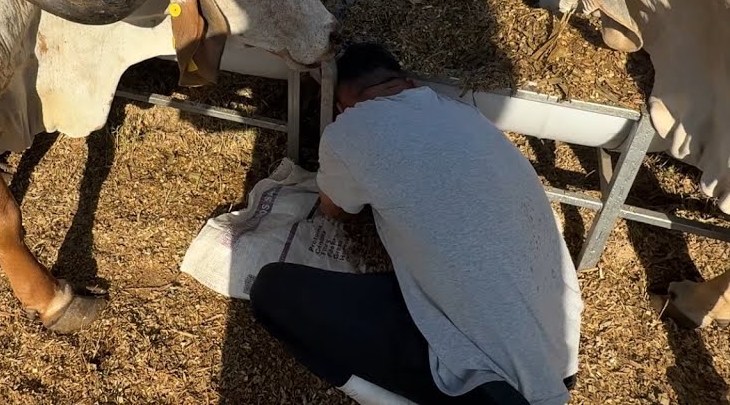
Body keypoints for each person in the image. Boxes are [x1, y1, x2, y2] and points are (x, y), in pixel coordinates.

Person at [249, 42, 582, 405]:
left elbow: (336, 209)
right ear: (406, 81)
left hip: (499, 382)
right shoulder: (465, 113)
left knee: (273, 290)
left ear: (342, 103)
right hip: (559, 352)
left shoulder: (349, 129)